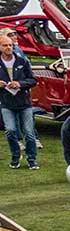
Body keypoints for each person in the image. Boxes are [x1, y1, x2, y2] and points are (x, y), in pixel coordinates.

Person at [0, 33, 38, 170]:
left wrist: (20, 84)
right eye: (5, 45)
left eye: (10, 45)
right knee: (10, 130)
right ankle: (16, 156)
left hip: (24, 102)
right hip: (6, 102)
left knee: (29, 132)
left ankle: (32, 159)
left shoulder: (22, 61)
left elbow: (33, 80)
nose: (9, 48)